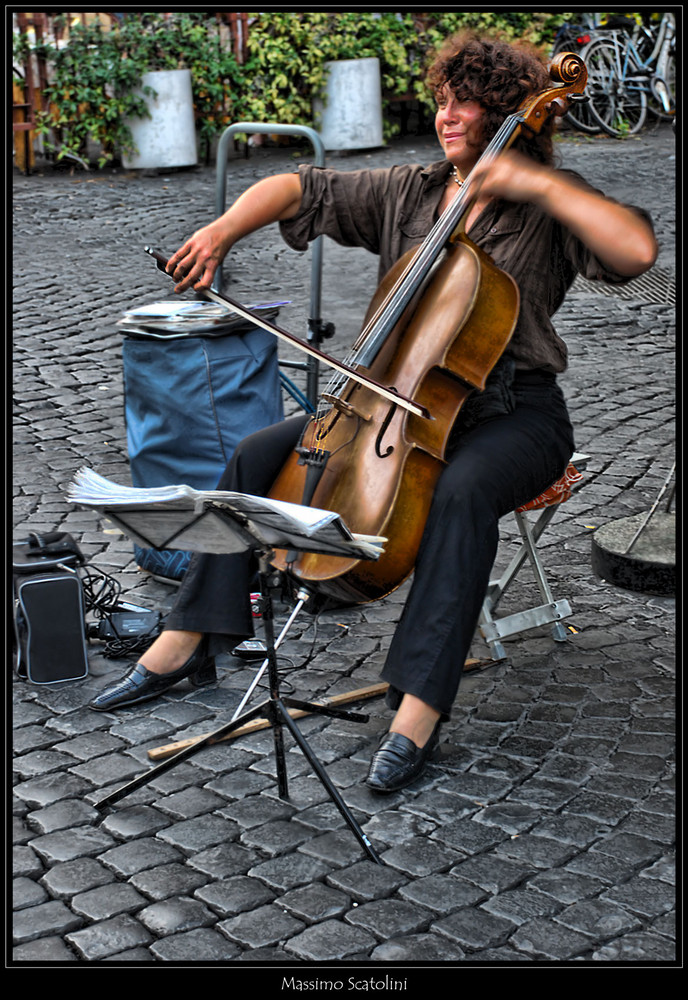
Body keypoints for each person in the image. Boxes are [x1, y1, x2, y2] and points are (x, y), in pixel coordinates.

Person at [90, 34, 657, 793]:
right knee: (257, 456)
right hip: (390, 406)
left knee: (460, 496)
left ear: (506, 115)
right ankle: (188, 640)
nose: (445, 114)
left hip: (514, 414)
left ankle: (418, 708)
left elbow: (637, 252)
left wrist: (542, 186)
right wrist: (225, 229)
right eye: (444, 98)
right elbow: (300, 188)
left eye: (464, 103)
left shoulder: (548, 208)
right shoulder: (414, 191)